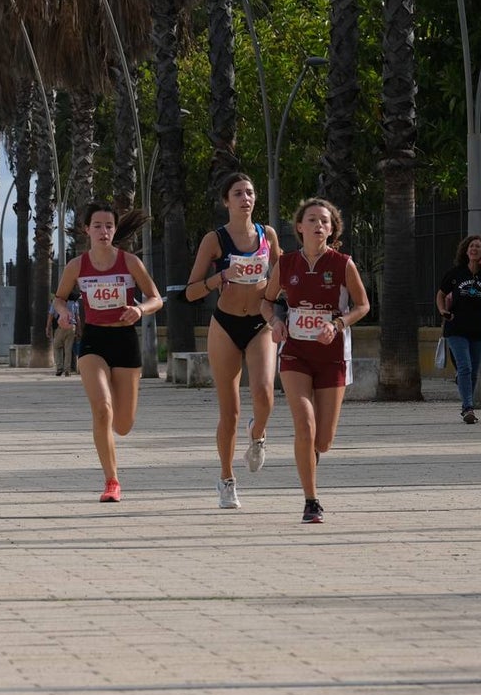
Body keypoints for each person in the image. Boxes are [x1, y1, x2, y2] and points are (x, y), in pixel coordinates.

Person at [261, 198, 370, 524]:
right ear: (300, 227)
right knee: (304, 426)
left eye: (325, 221)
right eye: (312, 219)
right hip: (295, 353)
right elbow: (266, 302)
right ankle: (311, 501)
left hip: (332, 356)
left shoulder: (343, 264)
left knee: (323, 439)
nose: (318, 225)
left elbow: (362, 306)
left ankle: (312, 455)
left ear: (332, 229)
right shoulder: (286, 263)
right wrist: (275, 322)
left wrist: (337, 324)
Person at [183, 173, 282, 509]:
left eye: (250, 192)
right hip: (225, 325)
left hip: (260, 324)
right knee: (230, 412)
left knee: (265, 394)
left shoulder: (268, 234)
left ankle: (258, 435)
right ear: (226, 201)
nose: (245, 198)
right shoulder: (215, 239)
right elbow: (191, 291)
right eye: (238, 193)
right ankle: (227, 480)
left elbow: (282, 275)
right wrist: (221, 277)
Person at [53, 201, 163, 503]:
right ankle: (111, 481)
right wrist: (63, 313)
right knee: (102, 408)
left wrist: (139, 310)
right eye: (98, 226)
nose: (104, 231)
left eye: (109, 226)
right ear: (86, 229)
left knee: (123, 425)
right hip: (93, 341)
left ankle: (114, 417)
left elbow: (156, 298)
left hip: (125, 340)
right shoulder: (77, 266)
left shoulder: (130, 262)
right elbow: (59, 298)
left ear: (115, 230)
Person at [436, 234, 481, 425]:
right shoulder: (455, 273)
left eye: (478, 247)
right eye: (471, 246)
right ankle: (468, 407)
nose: (474, 249)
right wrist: (442, 310)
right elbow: (440, 294)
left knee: (472, 371)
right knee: (465, 367)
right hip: (456, 327)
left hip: (479, 330)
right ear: (466, 251)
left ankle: (466, 401)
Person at [46, 291, 81, 377]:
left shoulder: (57, 302)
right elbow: (77, 317)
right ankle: (67, 370)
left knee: (57, 347)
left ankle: (59, 368)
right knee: (68, 349)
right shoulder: (75, 303)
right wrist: (78, 330)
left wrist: (48, 327)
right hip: (72, 327)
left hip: (60, 327)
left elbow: (50, 315)